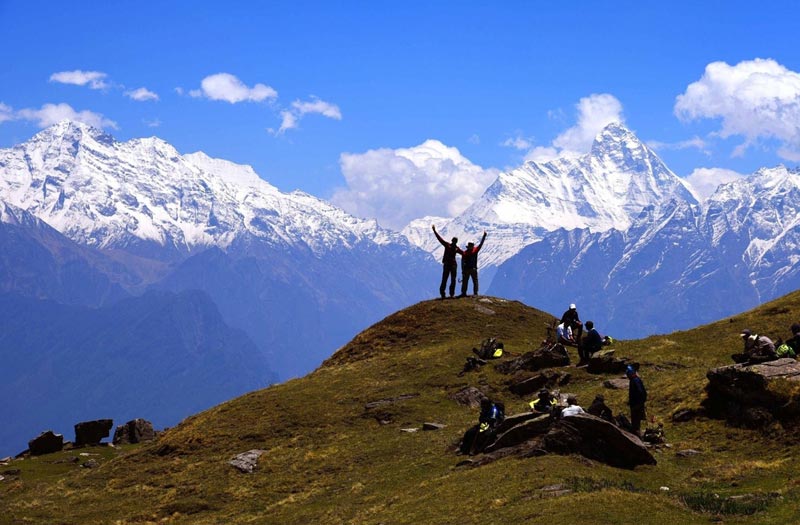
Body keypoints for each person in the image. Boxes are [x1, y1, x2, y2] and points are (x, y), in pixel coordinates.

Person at [432, 225, 462, 299]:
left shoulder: (453, 247)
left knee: (450, 279)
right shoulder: (449, 246)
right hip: (450, 265)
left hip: (451, 265)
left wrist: (434, 231)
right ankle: (446, 294)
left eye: (455, 241)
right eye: (454, 241)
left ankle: (448, 294)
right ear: (452, 241)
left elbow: (463, 253)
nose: (454, 242)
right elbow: (440, 239)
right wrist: (435, 231)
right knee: (447, 279)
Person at [458, 231, 487, 297]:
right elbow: (481, 245)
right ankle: (475, 293)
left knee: (465, 281)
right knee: (475, 281)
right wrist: (484, 236)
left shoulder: (465, 253)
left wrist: (463, 270)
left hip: (466, 269)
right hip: (473, 269)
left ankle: (463, 293)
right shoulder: (475, 250)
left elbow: (462, 262)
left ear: (468, 246)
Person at [626, 365, 647, 436]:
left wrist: (639, 402)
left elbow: (640, 392)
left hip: (636, 404)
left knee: (635, 420)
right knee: (636, 419)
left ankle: (637, 435)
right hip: (637, 403)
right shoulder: (635, 380)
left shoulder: (635, 380)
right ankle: (636, 433)